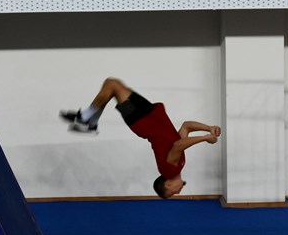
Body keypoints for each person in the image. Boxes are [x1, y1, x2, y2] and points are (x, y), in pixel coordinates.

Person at [60, 78, 221, 199]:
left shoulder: (169, 171)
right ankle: (91, 121)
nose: (178, 192)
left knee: (113, 86)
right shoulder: (179, 164)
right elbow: (186, 126)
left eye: (173, 193)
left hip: (141, 120)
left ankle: (88, 119)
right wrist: (208, 128)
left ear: (168, 184)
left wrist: (206, 138)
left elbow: (179, 145)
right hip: (150, 113)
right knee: (111, 83)